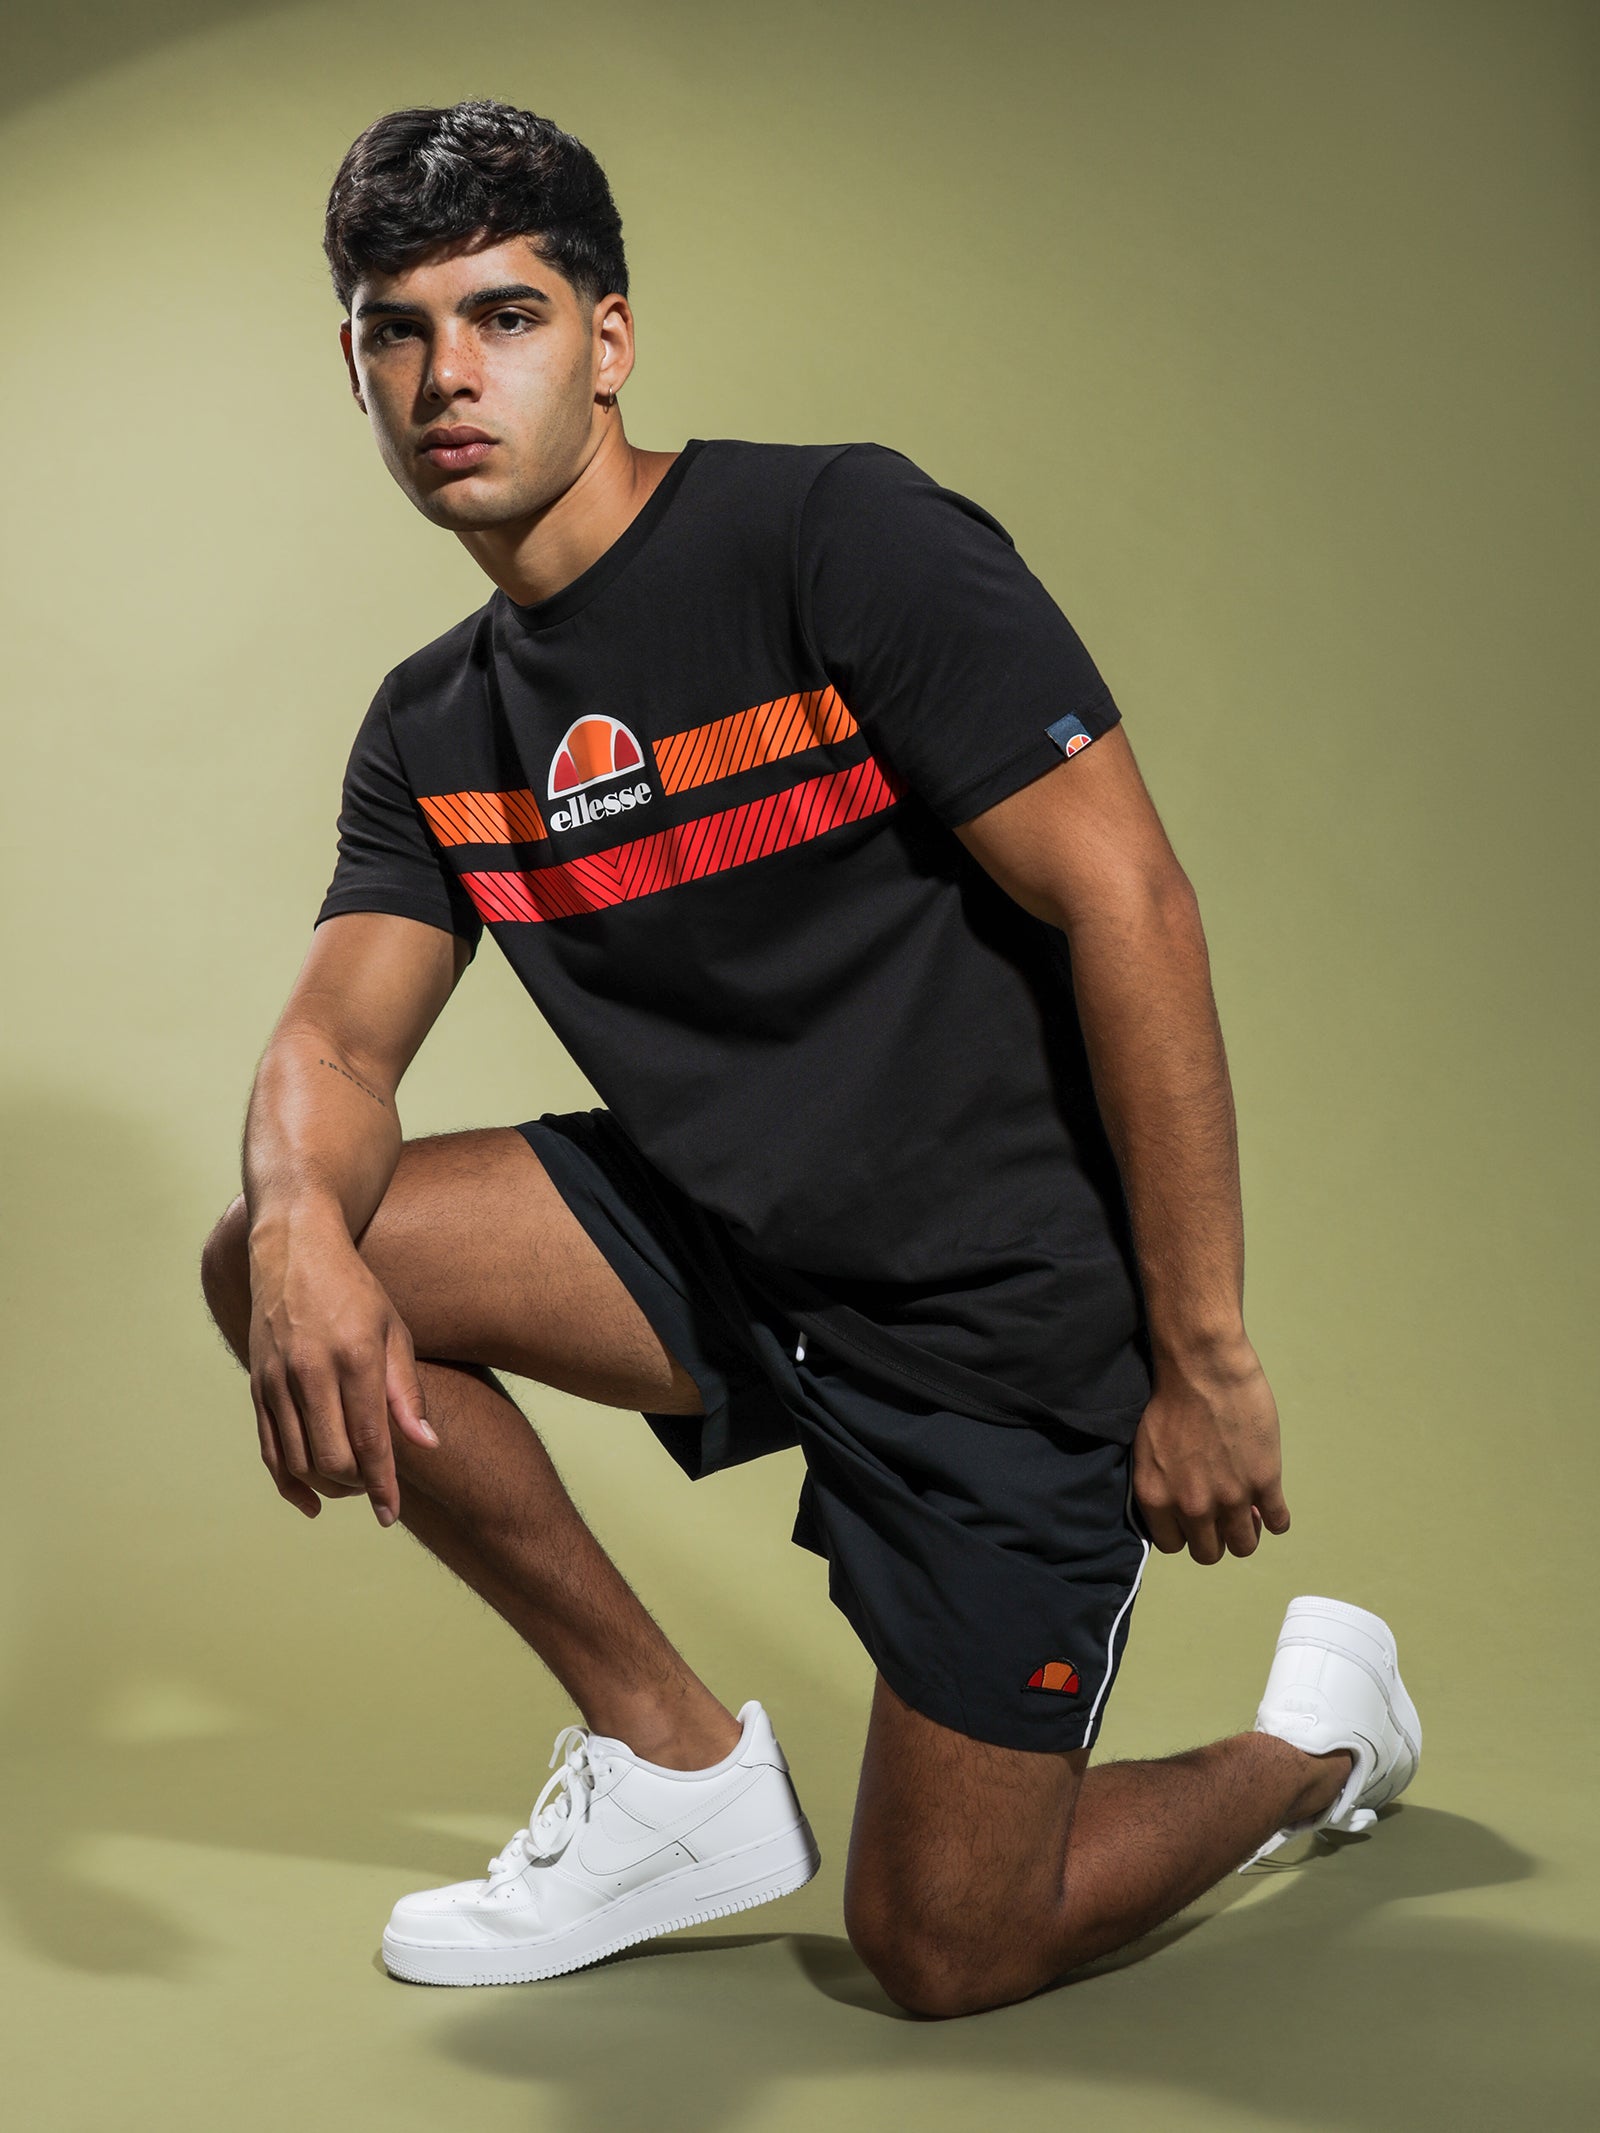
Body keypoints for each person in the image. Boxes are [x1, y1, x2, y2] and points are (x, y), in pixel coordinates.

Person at [199, 99, 1419, 2018]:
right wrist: (292, 1226)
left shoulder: (835, 536)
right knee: (289, 1244)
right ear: (353, 368)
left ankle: (1320, 1742)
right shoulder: (432, 725)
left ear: (608, 339)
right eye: (396, 331)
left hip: (994, 1323)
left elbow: (1133, 905)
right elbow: (339, 1043)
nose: (448, 378)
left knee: (946, 1942)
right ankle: (671, 1765)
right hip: (727, 1246)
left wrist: (1204, 1353)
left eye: (505, 317)